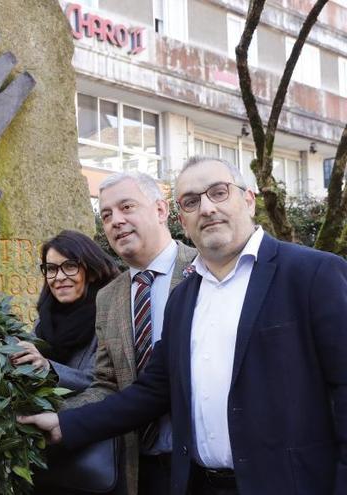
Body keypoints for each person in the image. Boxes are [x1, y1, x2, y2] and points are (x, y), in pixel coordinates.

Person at [18, 157, 347, 494]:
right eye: (191, 201)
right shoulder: (186, 297)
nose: (206, 208)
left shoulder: (313, 274)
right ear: (182, 218)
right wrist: (64, 424)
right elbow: (152, 390)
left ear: (248, 199)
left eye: (218, 193)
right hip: (195, 483)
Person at [59, 172, 196, 495]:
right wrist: (53, 413)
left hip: (205, 466)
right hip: (141, 468)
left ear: (161, 211)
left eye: (127, 207)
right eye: (106, 215)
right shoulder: (108, 297)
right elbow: (107, 383)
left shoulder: (204, 269)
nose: (115, 221)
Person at [10, 230, 120, 494]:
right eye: (51, 269)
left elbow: (104, 381)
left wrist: (48, 369)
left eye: (70, 266)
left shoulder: (109, 315)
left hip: (89, 452)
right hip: (46, 454)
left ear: (91, 271)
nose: (59, 277)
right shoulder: (44, 320)